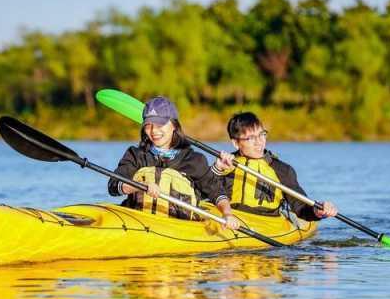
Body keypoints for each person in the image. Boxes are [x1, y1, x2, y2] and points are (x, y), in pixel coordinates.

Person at [108, 96, 240, 230]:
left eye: (160, 125)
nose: (153, 131)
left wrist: (227, 213)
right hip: (138, 222)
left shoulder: (193, 160)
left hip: (178, 227)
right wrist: (138, 186)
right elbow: (113, 186)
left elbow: (216, 193)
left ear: (174, 125)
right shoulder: (136, 155)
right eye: (148, 125)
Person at [212, 112, 337, 221]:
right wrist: (216, 170)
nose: (259, 142)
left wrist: (318, 211)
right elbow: (201, 192)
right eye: (251, 138)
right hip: (230, 218)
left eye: (262, 134)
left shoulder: (282, 170)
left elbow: (301, 208)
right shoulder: (225, 164)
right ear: (235, 143)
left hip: (267, 223)